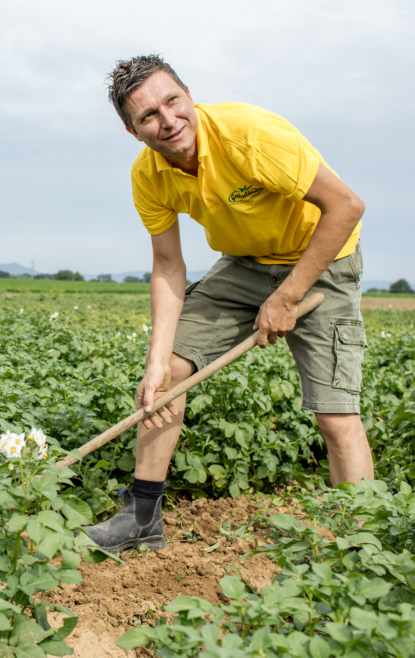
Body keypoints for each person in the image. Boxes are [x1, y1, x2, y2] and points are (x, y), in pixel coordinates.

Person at [84, 55, 374, 554]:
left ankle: (364, 540)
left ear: (189, 95)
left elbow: (346, 206)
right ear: (134, 132)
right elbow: (168, 268)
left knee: (334, 413)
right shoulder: (148, 175)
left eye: (172, 101)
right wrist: (156, 361)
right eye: (148, 116)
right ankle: (142, 519)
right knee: (170, 374)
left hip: (321, 256)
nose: (167, 120)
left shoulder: (250, 136)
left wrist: (287, 296)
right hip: (244, 261)